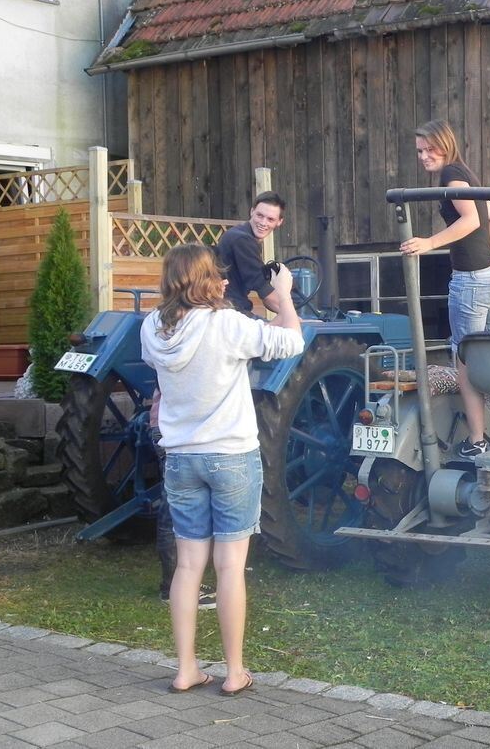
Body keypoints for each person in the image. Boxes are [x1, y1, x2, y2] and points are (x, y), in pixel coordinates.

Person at [140, 243, 304, 695]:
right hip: (231, 454)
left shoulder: (152, 327)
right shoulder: (228, 324)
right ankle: (234, 672)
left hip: (181, 457)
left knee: (188, 567)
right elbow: (290, 341)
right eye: (217, 274)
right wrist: (284, 295)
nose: (225, 281)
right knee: (230, 568)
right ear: (206, 280)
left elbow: (162, 368)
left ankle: (186, 668)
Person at [399, 119, 490, 459]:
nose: (424, 156)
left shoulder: (451, 175)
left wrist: (429, 242)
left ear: (445, 145)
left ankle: (477, 439)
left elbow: (472, 220)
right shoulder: (466, 174)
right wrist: (488, 260)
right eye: (419, 151)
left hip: (472, 282)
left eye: (430, 149)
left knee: (466, 364)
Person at [149, 389, 216, 610]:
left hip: (165, 424)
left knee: (173, 507)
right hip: (177, 427)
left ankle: (181, 583)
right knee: (174, 511)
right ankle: (172, 587)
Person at [214, 191, 287, 316]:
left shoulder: (239, 234)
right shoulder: (242, 240)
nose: (263, 223)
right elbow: (266, 295)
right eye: (260, 215)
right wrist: (297, 319)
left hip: (229, 309)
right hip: (231, 312)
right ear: (252, 211)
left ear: (279, 222)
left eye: (270, 219)